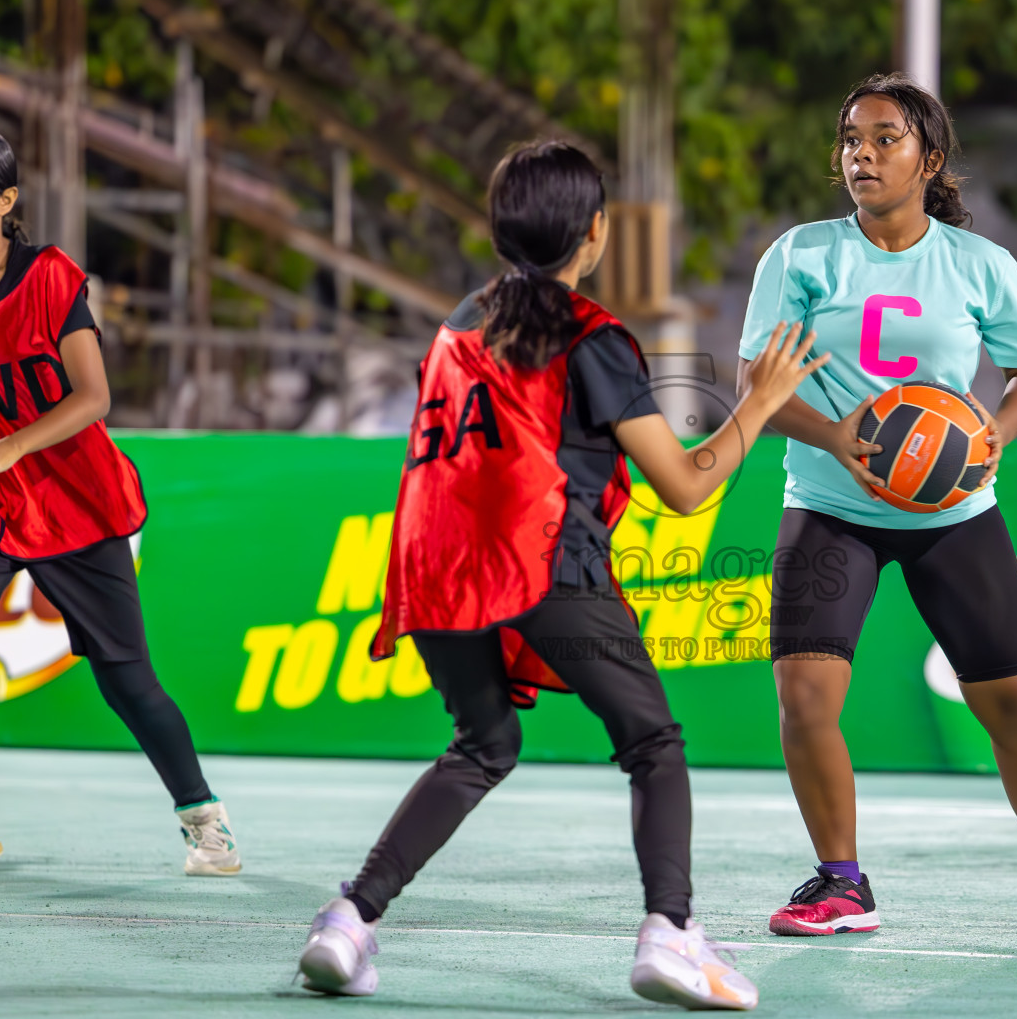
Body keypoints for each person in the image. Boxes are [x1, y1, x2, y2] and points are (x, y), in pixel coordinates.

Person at [294, 140, 825, 1008]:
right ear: (595, 232)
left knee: (483, 744)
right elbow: (685, 488)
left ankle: (348, 920)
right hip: (542, 564)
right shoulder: (592, 338)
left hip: (432, 567)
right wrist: (761, 402)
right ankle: (670, 931)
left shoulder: (458, 324)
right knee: (653, 744)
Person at [737, 75, 1017, 936]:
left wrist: (995, 433)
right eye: (851, 139)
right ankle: (839, 882)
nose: (862, 155)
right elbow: (757, 385)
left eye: (884, 139)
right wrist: (836, 436)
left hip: (951, 514)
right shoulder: (800, 256)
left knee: (1011, 706)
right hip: (830, 505)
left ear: (930, 158)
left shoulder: (979, 264)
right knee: (804, 702)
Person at [0, 124, 238, 877]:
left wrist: (10, 444)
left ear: (6, 200)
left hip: (76, 499)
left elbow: (94, 397)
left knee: (128, 681)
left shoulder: (49, 278)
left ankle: (204, 817)